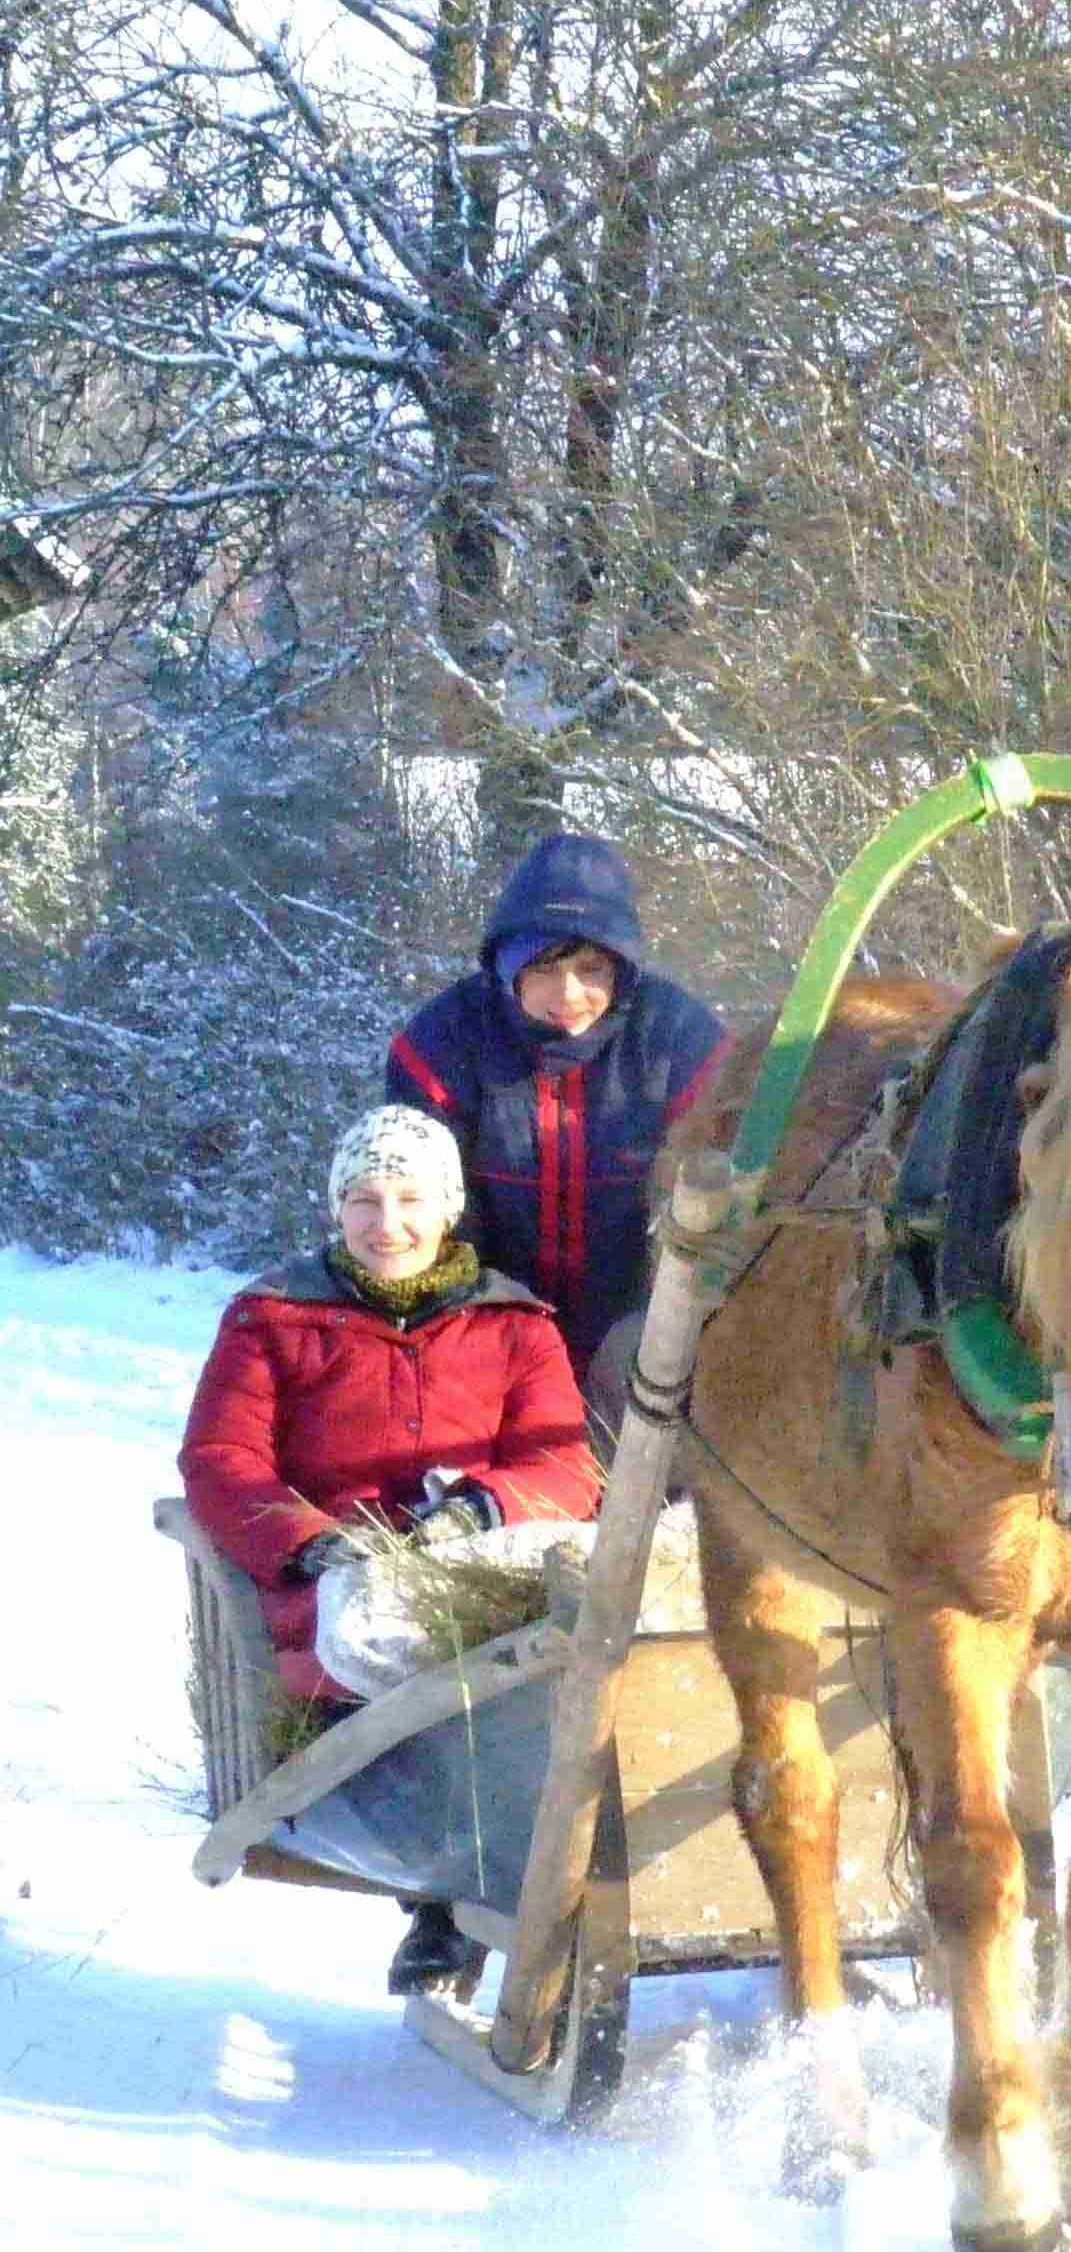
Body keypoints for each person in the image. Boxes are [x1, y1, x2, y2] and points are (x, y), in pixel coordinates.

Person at [179, 1104, 600, 1997]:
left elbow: (562, 1460)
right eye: (365, 1200)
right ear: (337, 1207)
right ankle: (448, 1884)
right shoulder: (273, 1318)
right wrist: (311, 1545)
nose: (388, 1224)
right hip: (339, 1580)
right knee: (388, 1640)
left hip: (492, 1564)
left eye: (410, 1198)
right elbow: (221, 1460)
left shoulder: (514, 1324)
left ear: (447, 1206)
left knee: (572, 1641)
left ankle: (539, 1864)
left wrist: (483, 1510)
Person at [386, 832, 727, 1453]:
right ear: (506, 968)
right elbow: (417, 1203)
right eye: (542, 969)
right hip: (491, 1304)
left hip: (637, 1313)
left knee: (644, 1380)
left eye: (591, 969)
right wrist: (477, 1312)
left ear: (622, 969)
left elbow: (721, 1198)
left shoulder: (678, 1040)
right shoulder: (444, 1043)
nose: (568, 995)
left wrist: (666, 1307)